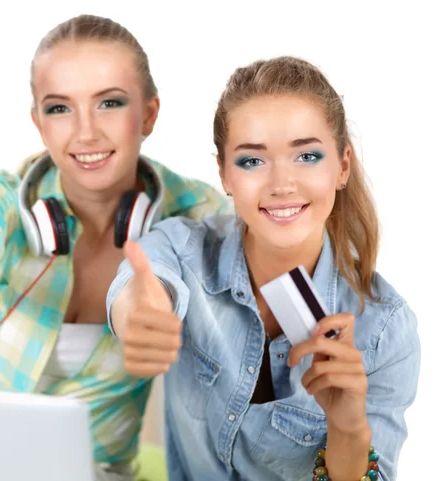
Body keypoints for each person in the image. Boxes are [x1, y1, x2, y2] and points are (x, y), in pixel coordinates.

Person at [0, 14, 230, 481]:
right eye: (60, 108)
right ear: (38, 123)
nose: (85, 133)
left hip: (97, 472)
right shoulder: (1, 196)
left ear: (148, 113)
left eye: (109, 102)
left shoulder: (198, 213)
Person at [108, 56, 420, 481]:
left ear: (342, 166)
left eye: (307, 156)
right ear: (224, 175)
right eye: (252, 161)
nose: (281, 184)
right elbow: (140, 285)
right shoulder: (183, 248)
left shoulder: (385, 331)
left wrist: (348, 428)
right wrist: (141, 317)